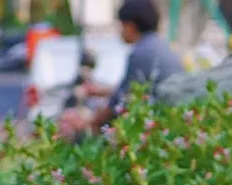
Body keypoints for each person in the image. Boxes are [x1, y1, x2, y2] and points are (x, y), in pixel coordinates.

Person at [60, 0, 185, 136]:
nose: (120, 31)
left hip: (155, 124)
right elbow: (134, 87)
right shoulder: (160, 45)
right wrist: (98, 91)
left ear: (130, 26)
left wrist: (87, 123)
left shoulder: (142, 52)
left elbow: (123, 99)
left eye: (121, 26)